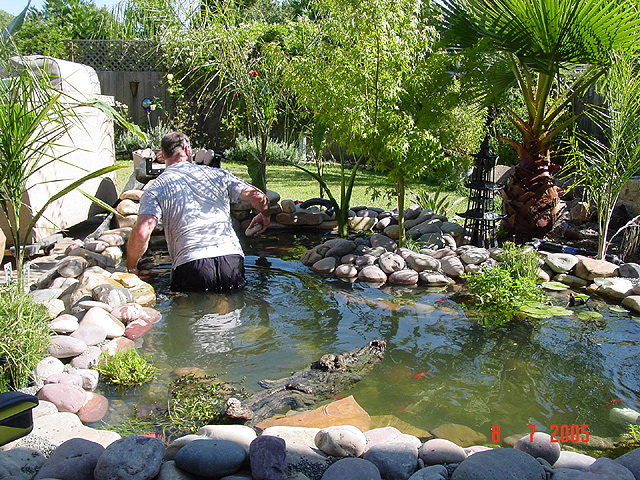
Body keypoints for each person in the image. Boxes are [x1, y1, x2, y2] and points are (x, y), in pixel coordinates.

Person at [126, 131, 270, 292]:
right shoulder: (218, 175)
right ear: (188, 150)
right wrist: (265, 215)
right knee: (231, 306)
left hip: (191, 264)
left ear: (163, 155)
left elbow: (142, 232)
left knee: (189, 306)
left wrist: (131, 266)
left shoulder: (156, 188)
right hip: (232, 260)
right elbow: (258, 197)